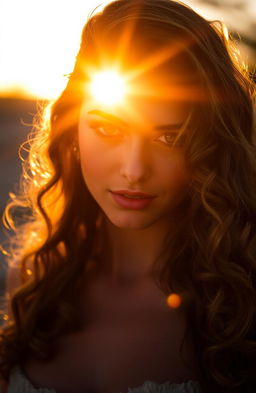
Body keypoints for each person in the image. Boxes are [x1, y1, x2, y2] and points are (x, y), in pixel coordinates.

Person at [0, 0, 255, 392]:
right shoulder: (32, 285)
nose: (134, 170)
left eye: (171, 137)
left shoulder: (238, 304)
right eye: (108, 129)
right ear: (72, 128)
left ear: (212, 143)